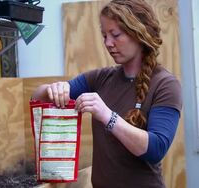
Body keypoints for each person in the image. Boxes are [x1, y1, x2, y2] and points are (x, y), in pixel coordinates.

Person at [32, 0, 182, 187]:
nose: (108, 43)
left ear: (139, 33)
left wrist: (107, 116)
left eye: (115, 35)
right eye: (104, 36)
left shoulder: (165, 84)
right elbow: (37, 98)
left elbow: (156, 149)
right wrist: (52, 89)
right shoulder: (100, 78)